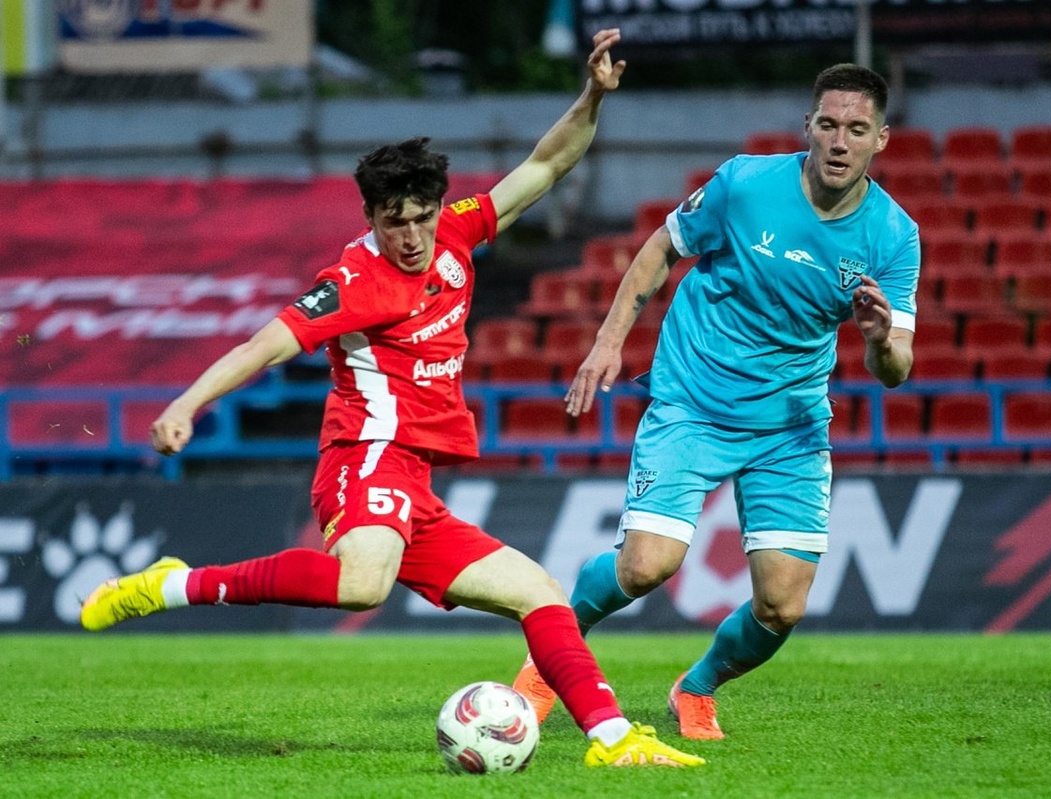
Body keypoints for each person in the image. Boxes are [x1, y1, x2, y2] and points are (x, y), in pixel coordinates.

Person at [80, 29, 704, 770]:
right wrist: (187, 403)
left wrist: (592, 96)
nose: (411, 236)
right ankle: (175, 584)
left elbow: (546, 164)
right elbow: (263, 345)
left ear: (438, 206)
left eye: (421, 216)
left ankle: (613, 740)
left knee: (541, 594)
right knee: (363, 582)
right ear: (371, 218)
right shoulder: (354, 282)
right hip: (366, 455)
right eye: (393, 221)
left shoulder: (457, 233)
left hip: (413, 481)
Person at [514, 63, 920, 740]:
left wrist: (879, 341)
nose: (839, 141)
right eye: (827, 125)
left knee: (782, 607)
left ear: (881, 139)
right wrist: (608, 342)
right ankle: (549, 653)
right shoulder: (745, 184)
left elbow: (895, 368)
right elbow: (660, 248)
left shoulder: (894, 235)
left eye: (856, 129)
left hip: (789, 429)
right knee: (646, 566)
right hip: (692, 404)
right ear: (808, 127)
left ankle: (696, 686)